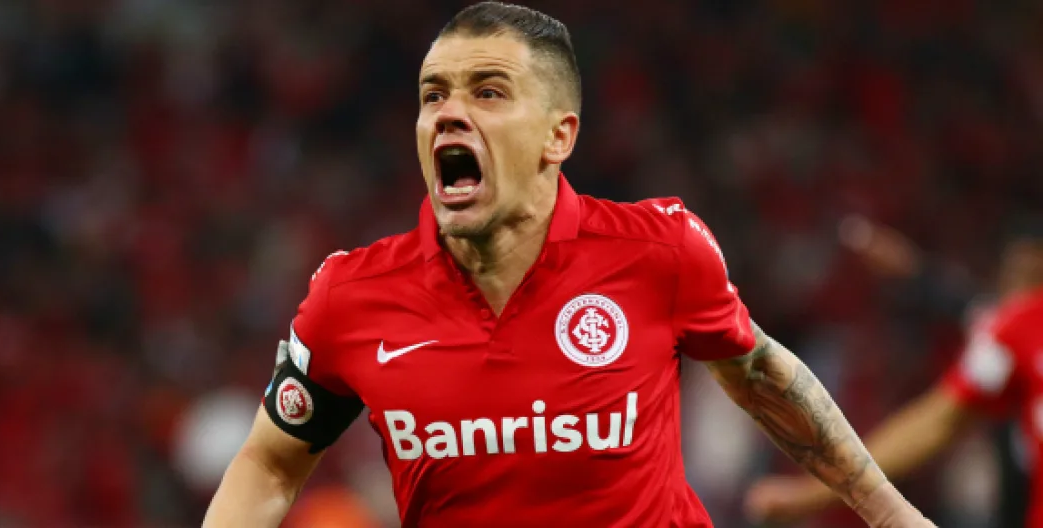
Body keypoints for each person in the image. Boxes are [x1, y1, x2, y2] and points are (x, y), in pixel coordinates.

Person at [203, 3, 933, 527]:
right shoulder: (351, 296)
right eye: (434, 95)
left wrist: (894, 516)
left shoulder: (659, 252)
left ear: (559, 136)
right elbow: (269, 463)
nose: (450, 112)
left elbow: (761, 376)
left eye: (489, 92)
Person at [746, 226, 1043, 526]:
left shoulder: (1011, 325)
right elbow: (933, 423)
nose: (1019, 288)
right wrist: (812, 494)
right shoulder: (1019, 328)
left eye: (1031, 274)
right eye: (1015, 274)